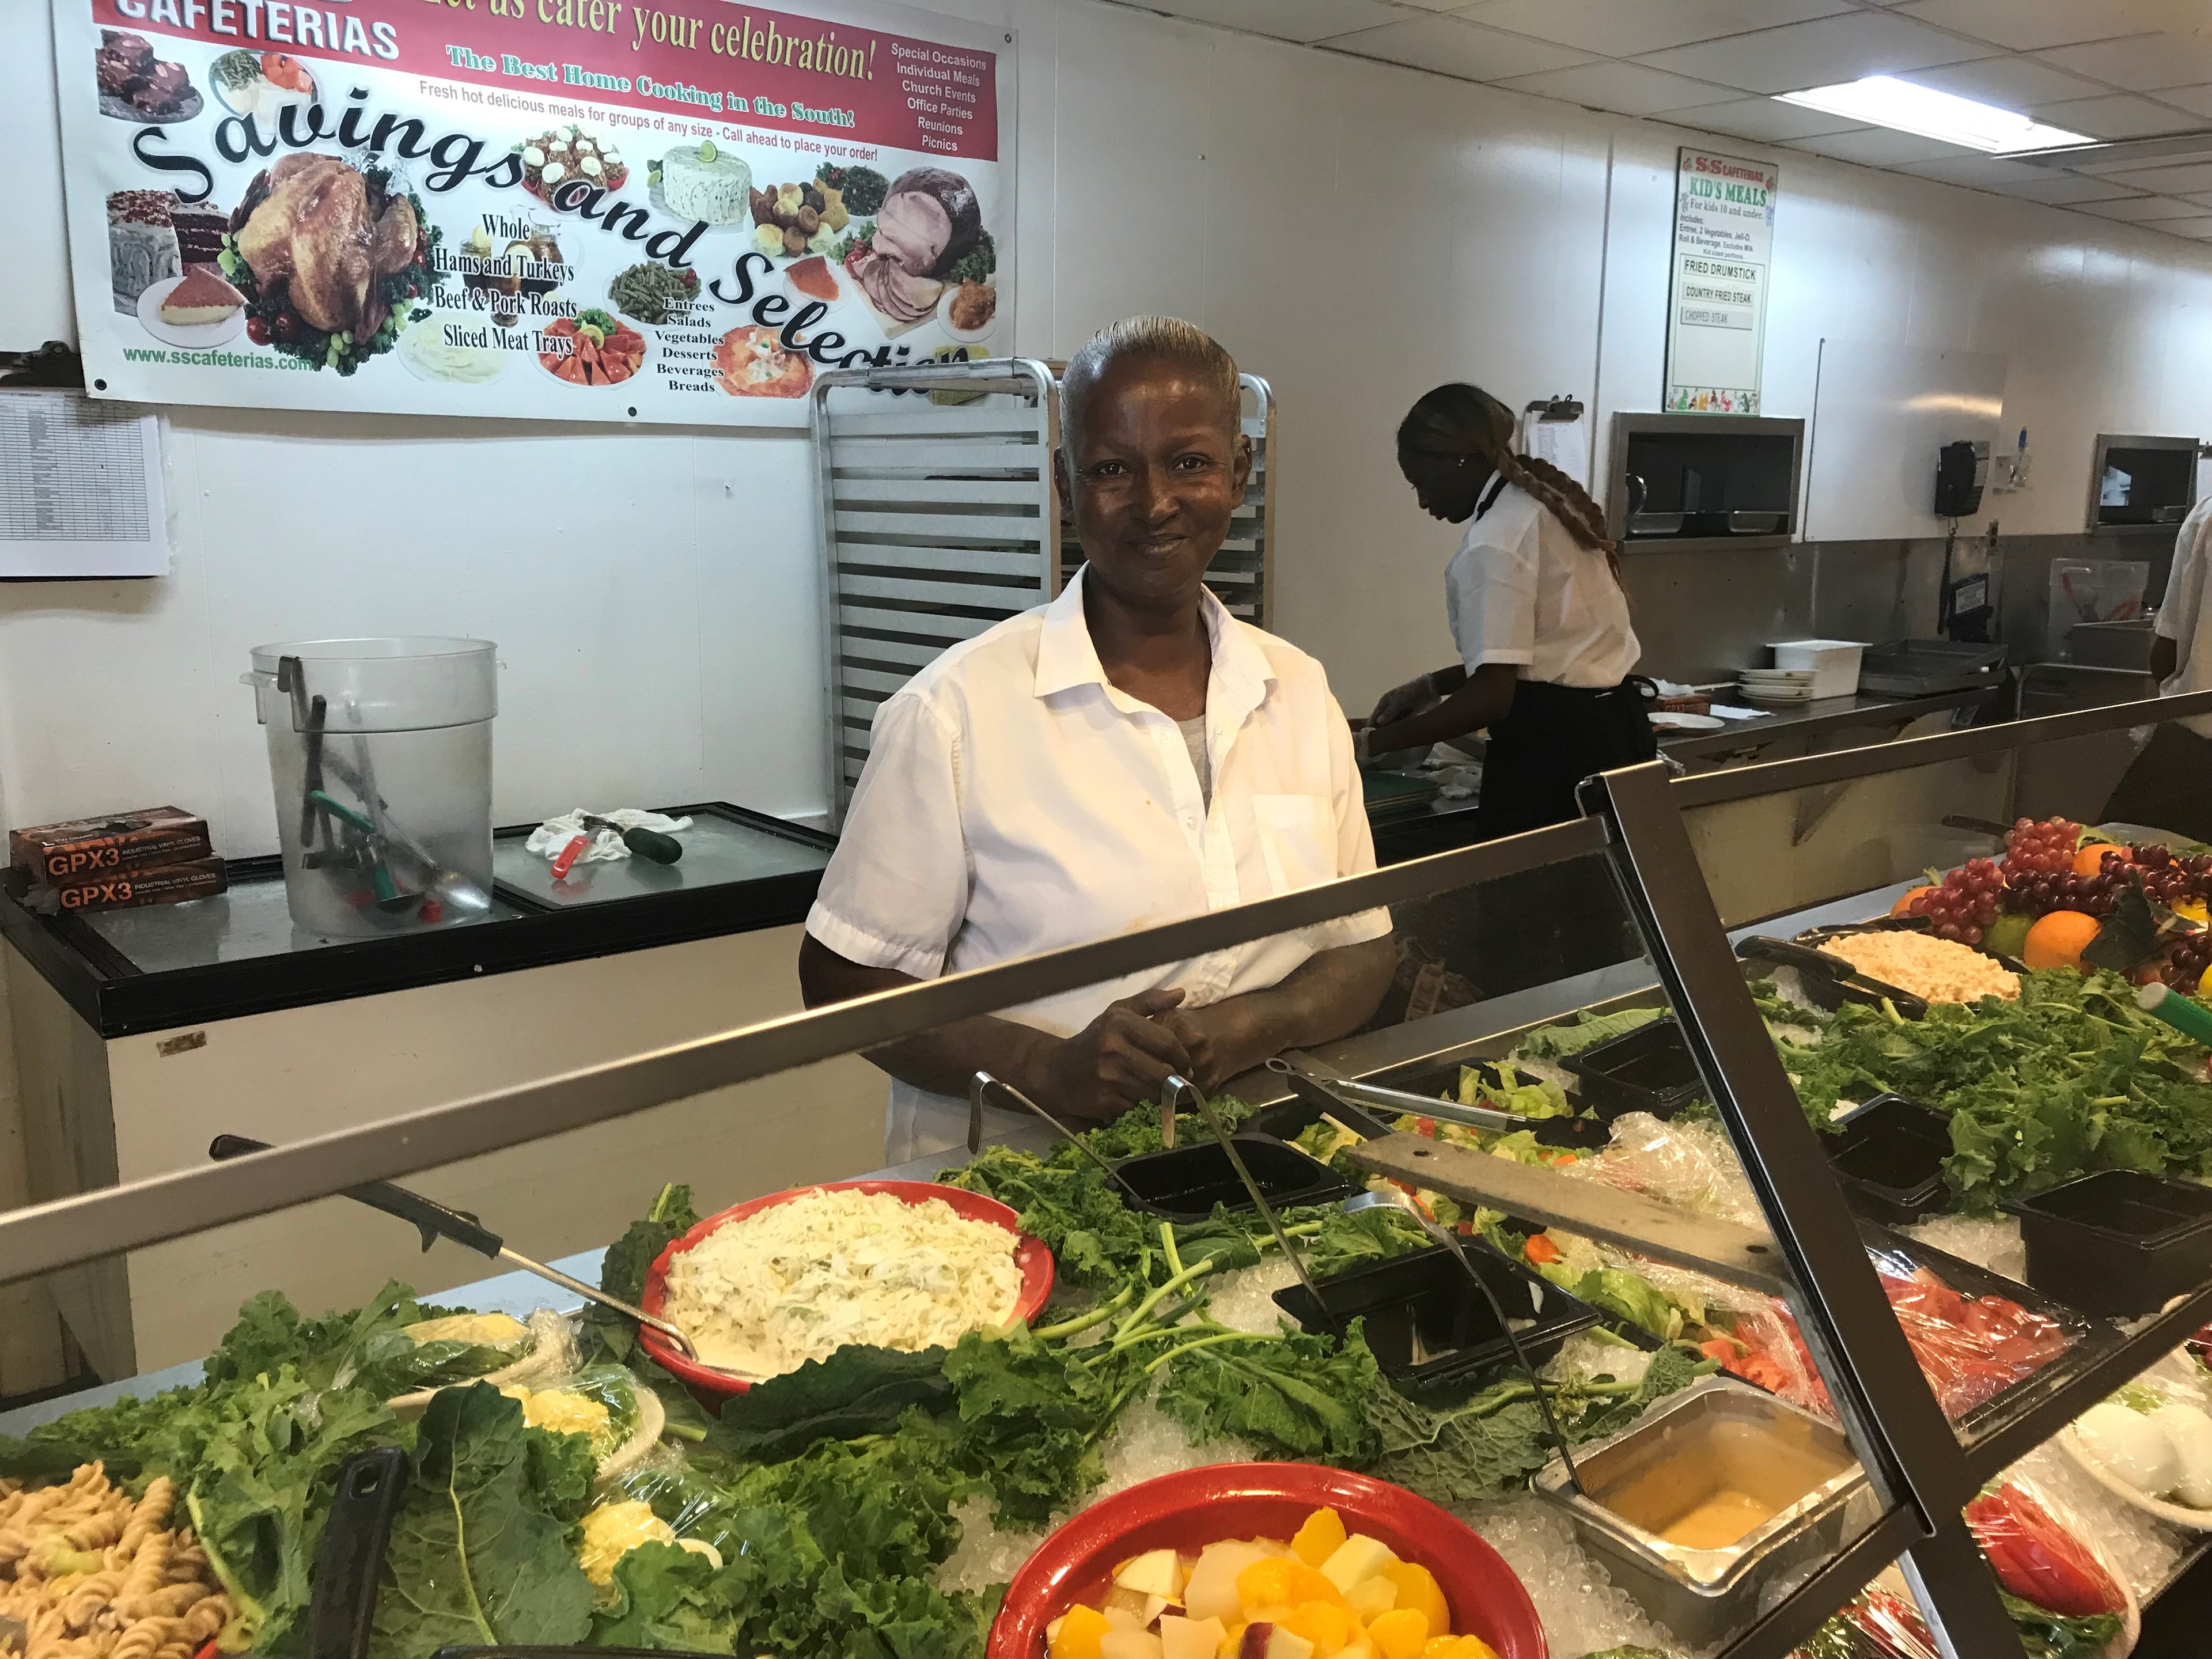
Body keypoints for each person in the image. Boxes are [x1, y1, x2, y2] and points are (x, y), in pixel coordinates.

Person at [800, 317, 1396, 1162]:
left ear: (1239, 472)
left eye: (1189, 463)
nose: (1154, 503)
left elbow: (1361, 946)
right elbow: (842, 983)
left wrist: (1251, 1025)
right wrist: (1045, 1064)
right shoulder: (956, 712)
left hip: (1263, 1160)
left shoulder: (1296, 690)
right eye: (1112, 470)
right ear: (1066, 488)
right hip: (1024, 1179)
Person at [1358, 383, 1655, 837]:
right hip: (1612, 732)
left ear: (1455, 459)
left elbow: (1493, 697)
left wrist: (1370, 745)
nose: (1422, 501)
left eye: (1420, 483)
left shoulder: (1496, 540)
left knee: (1536, 901)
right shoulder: (1541, 511)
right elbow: (1535, 650)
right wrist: (1431, 685)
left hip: (1555, 757)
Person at [2104, 491, 2212, 841]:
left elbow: (2165, 653)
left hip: (2194, 752)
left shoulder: (2206, 516)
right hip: (2192, 756)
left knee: (2129, 875)